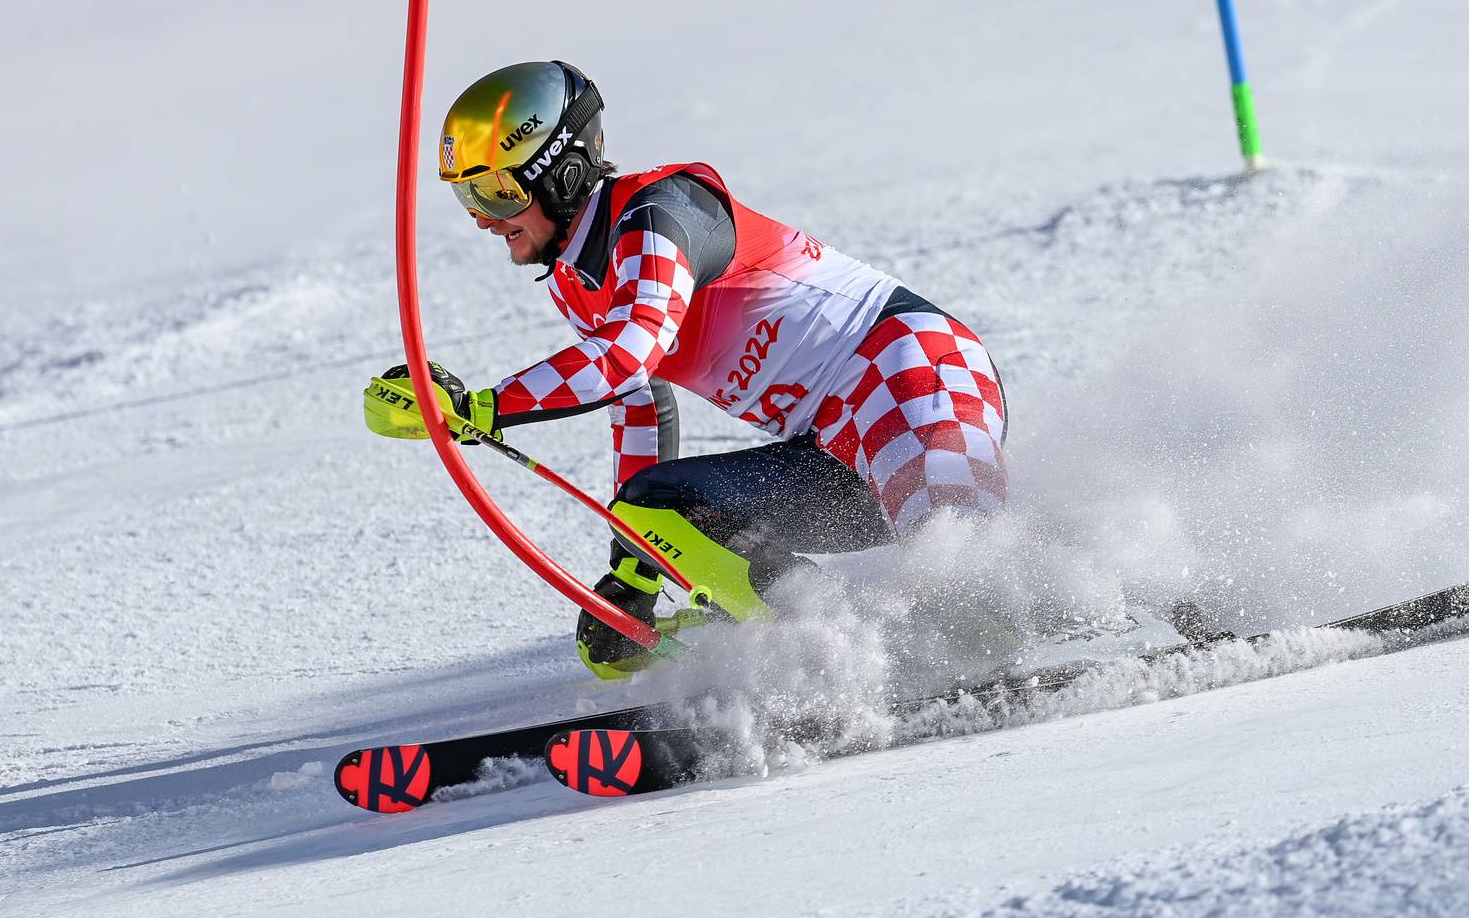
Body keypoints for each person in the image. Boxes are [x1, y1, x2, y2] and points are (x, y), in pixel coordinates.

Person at [366, 60, 1007, 678]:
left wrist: (481, 408)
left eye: (496, 190)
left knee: (966, 578)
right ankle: (839, 656)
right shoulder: (574, 280)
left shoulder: (658, 213)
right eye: (466, 196)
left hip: (910, 375)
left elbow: (626, 354)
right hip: (836, 451)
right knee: (660, 507)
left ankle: (1047, 619)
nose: (482, 217)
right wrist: (634, 579)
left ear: (558, 173)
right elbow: (639, 406)